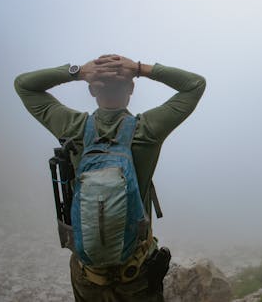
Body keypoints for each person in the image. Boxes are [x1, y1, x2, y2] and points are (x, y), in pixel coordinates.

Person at [14, 54, 206, 302]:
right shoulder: (147, 130)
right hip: (136, 275)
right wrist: (140, 68)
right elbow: (195, 85)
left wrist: (77, 71)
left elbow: (24, 85)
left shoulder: (73, 127)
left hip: (88, 275)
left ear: (92, 89)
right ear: (132, 89)